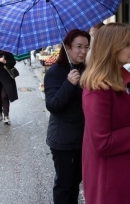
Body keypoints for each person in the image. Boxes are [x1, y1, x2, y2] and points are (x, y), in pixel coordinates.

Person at [79, 23, 130, 204]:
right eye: (128, 44)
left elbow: (114, 120)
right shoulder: (97, 89)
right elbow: (102, 142)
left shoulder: (114, 80)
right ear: (112, 48)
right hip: (111, 180)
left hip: (120, 171)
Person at [44, 29, 91, 204]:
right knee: (64, 185)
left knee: (75, 183)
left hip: (83, 137)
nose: (83, 51)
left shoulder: (85, 69)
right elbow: (53, 106)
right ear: (68, 47)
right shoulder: (55, 73)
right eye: (78, 46)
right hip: (63, 140)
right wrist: (69, 84)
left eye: (86, 47)